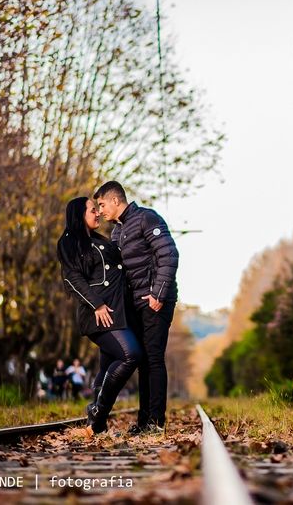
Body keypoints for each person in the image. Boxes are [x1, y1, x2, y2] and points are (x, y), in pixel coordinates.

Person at [94, 181, 179, 435]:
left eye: (102, 204)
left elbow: (169, 255)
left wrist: (158, 294)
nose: (100, 211)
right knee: (142, 361)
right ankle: (145, 422)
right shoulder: (117, 232)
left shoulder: (146, 218)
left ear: (115, 201)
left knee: (153, 359)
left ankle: (155, 423)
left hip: (155, 302)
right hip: (134, 306)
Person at [57, 196, 143, 433]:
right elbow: (72, 279)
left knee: (107, 365)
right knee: (130, 354)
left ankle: (97, 424)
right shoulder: (71, 242)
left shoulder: (97, 239)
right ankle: (98, 410)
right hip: (99, 313)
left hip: (118, 311)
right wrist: (96, 304)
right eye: (92, 210)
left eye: (98, 209)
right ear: (78, 215)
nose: (97, 213)